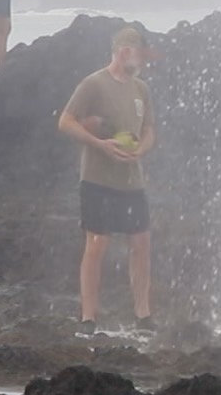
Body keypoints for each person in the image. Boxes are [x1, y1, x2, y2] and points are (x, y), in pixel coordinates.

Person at [57, 26, 157, 331]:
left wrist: (140, 149)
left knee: (141, 243)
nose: (141, 61)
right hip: (98, 179)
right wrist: (101, 144)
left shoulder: (141, 89)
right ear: (124, 50)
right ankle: (88, 317)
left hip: (132, 180)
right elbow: (65, 121)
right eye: (138, 54)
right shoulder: (93, 84)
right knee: (97, 243)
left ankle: (143, 314)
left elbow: (150, 129)